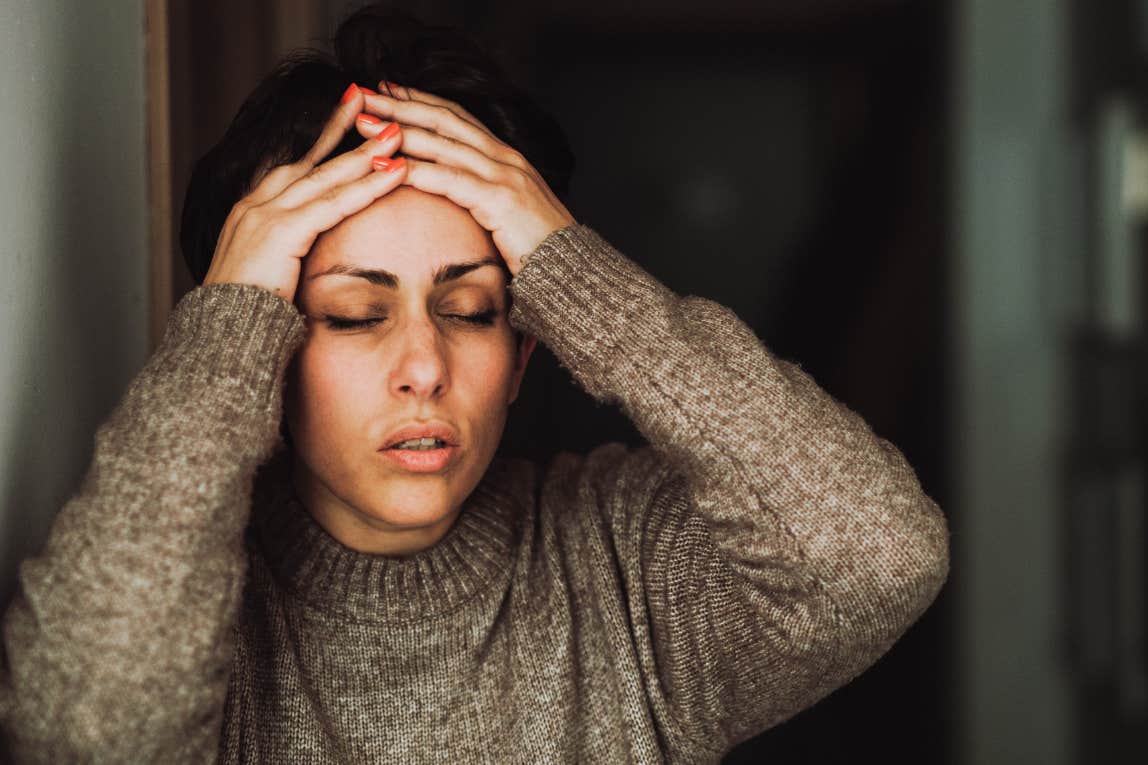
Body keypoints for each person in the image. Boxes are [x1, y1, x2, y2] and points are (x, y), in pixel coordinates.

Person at [0, 6, 948, 763]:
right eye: (352, 314)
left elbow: (877, 555)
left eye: (470, 309)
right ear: (264, 355)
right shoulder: (200, 612)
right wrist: (226, 322)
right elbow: (84, 731)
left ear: (526, 352)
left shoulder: (622, 573)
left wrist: (570, 269)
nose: (424, 367)